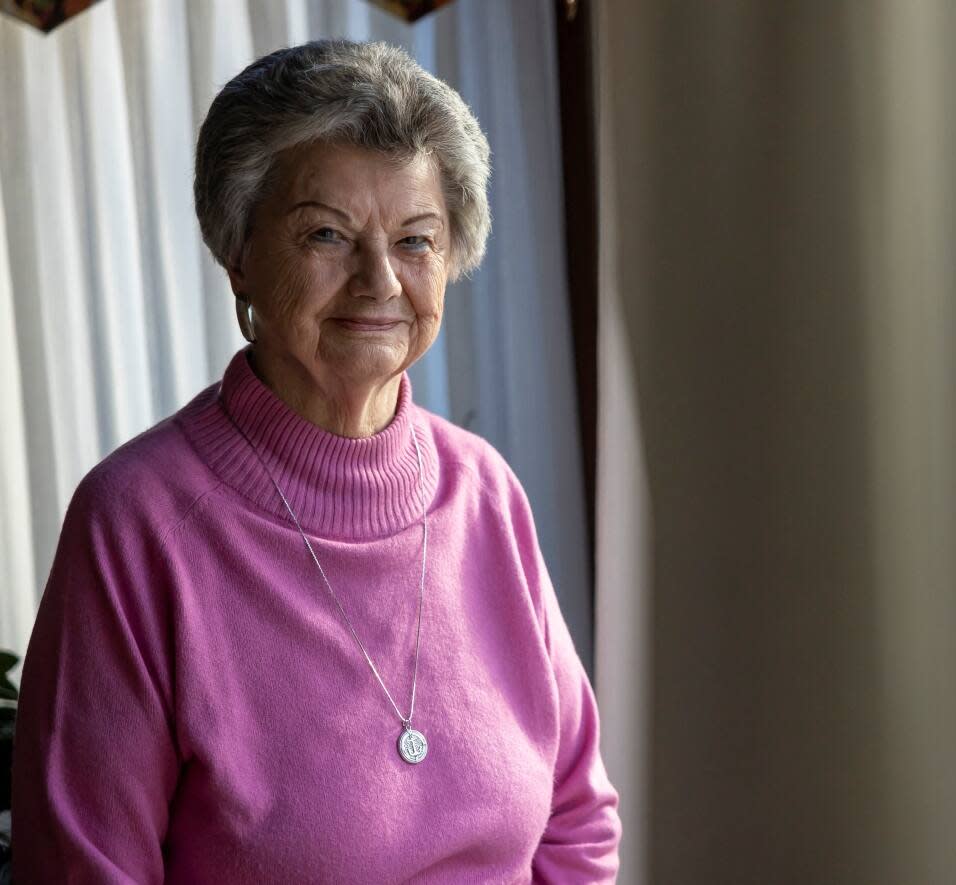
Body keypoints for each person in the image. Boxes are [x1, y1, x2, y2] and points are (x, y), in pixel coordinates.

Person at [12, 39, 621, 883]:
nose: (379, 280)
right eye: (326, 234)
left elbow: (578, 816)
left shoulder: (486, 492)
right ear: (240, 253)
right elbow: (86, 868)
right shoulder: (136, 522)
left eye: (416, 239)